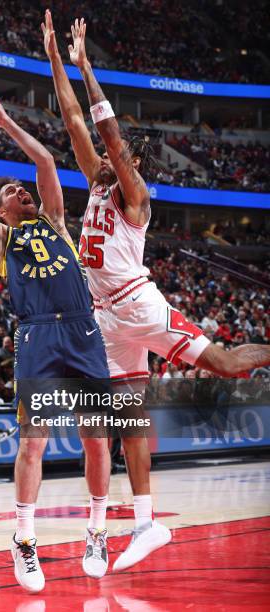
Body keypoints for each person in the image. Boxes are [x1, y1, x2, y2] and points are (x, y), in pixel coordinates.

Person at [42, 10, 270, 572]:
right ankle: (146, 524)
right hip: (105, 318)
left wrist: (89, 67)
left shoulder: (134, 195)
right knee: (130, 420)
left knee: (223, 364)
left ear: (132, 165)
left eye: (117, 158)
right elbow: (75, 122)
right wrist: (55, 61)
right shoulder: (96, 181)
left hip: (139, 306)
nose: (103, 159)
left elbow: (108, 135)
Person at [0, 97, 110, 593]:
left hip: (83, 329)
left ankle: (98, 530)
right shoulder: (1, 238)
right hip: (37, 333)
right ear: (3, 209)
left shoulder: (56, 220)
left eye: (23, 189)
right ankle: (23, 537)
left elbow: (45, 162)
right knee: (33, 442)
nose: (23, 190)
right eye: (14, 192)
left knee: (98, 438)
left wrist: (4, 120)